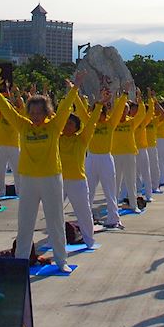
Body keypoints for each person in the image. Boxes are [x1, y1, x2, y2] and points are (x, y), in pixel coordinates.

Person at [0, 75, 79, 272]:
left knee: (55, 220)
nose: (35, 116)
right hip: (28, 179)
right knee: (25, 222)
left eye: (39, 112)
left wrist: (74, 88)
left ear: (46, 112)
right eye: (32, 112)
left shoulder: (54, 126)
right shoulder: (23, 126)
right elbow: (7, 110)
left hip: (51, 178)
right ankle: (21, 261)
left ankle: (61, 260)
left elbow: (65, 108)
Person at [60, 96, 103, 248]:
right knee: (55, 212)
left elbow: (91, 123)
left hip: (77, 180)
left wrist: (99, 105)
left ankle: (89, 240)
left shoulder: (82, 139)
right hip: (59, 180)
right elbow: (57, 115)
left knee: (83, 212)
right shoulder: (57, 138)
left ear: (77, 127)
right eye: (65, 123)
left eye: (70, 124)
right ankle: (55, 240)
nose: (66, 126)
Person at [86, 88, 127, 229]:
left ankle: (113, 218)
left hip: (106, 158)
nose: (99, 117)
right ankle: (86, 218)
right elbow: (80, 110)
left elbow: (119, 110)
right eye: (96, 113)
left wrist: (124, 95)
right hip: (91, 158)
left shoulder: (110, 123)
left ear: (105, 114)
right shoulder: (89, 122)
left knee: (110, 190)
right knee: (89, 190)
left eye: (101, 114)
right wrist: (75, 91)